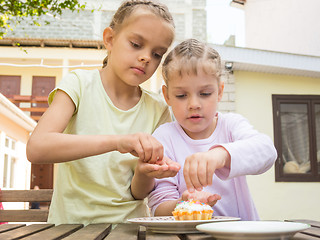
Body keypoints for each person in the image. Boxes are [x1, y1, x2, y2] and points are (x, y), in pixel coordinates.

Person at [26, 0, 180, 225]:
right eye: (136, 44)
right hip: (70, 229)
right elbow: (37, 148)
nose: (147, 57)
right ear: (110, 39)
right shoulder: (79, 84)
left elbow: (138, 194)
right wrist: (118, 142)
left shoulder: (158, 109)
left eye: (157, 54)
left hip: (129, 230)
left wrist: (146, 171)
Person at [147, 39, 278, 221]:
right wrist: (184, 203)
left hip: (241, 234)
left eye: (205, 94)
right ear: (167, 95)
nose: (194, 104)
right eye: (181, 95)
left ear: (220, 91)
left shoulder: (231, 125)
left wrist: (219, 155)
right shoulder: (164, 137)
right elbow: (158, 209)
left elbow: (267, 152)